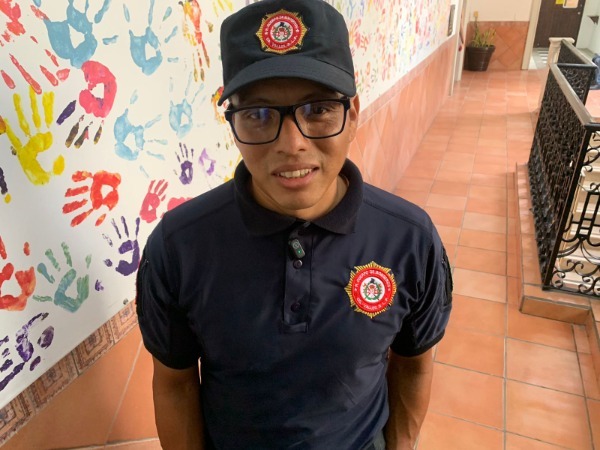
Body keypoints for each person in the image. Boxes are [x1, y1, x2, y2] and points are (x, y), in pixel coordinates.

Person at [135, 0, 452, 449]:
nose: (292, 144)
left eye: (318, 109)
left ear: (353, 113)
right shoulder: (178, 247)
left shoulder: (409, 240)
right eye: (258, 114)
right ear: (233, 123)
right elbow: (174, 384)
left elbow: (415, 365)